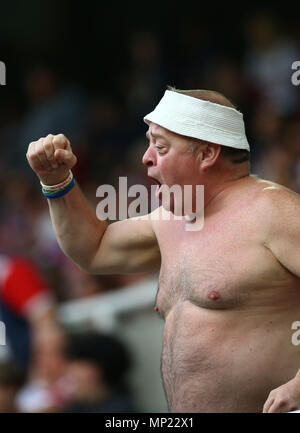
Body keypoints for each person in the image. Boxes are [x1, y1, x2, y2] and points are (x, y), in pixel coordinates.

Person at [26, 87, 300, 413]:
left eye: (160, 146)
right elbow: (94, 250)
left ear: (206, 154)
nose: (146, 157)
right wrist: (56, 180)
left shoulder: (273, 210)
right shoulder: (170, 220)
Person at [62, 331, 136, 413]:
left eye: (78, 365)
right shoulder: (77, 406)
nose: (71, 373)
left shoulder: (121, 410)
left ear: (97, 371)